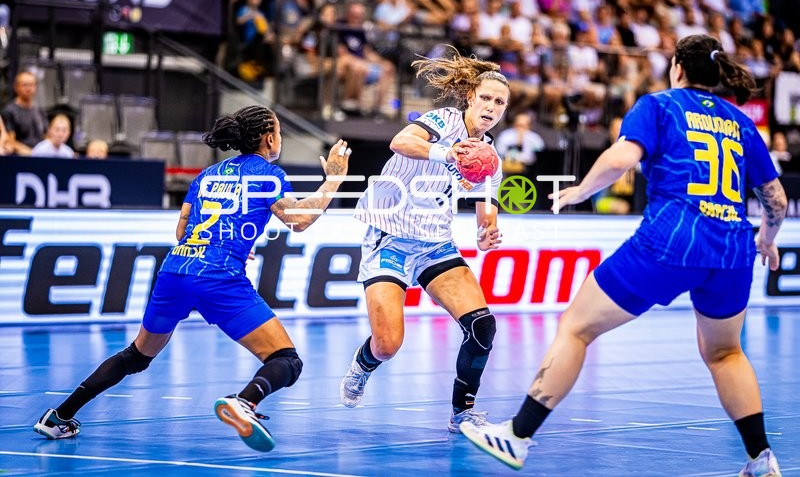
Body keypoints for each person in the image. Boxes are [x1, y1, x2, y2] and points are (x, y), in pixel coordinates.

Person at [461, 34, 787, 477]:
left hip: (671, 240)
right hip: (731, 249)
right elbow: (776, 199)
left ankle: (517, 436)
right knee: (726, 353)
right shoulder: (740, 121)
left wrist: (579, 190)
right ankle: (762, 459)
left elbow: (621, 159)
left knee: (575, 328)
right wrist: (766, 240)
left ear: (677, 68)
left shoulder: (660, 106)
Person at [34, 105, 352, 453]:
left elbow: (182, 230)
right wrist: (334, 179)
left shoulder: (207, 175)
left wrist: (221, 239)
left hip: (176, 270)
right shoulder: (268, 173)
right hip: (218, 277)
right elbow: (299, 220)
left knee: (137, 356)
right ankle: (246, 402)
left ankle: (58, 417)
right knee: (286, 360)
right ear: (269, 138)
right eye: (279, 131)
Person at [339, 48, 506, 433]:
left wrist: (487, 232)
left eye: (500, 103)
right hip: (391, 237)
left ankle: (462, 413)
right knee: (388, 345)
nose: (492, 107)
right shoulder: (443, 121)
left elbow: (486, 208)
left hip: (435, 244)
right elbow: (401, 141)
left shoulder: (489, 158)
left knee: (482, 327)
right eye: (486, 98)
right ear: (470, 98)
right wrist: (447, 153)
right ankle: (363, 366)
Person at [1, 70, 47, 155]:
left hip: (40, 157)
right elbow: (9, 140)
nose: (28, 88)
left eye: (31, 85)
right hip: (19, 159)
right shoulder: (9, 111)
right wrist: (30, 153)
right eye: (25, 85)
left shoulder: (40, 110)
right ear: (16, 87)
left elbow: (46, 136)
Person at [494, 111, 545, 179]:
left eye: (523, 126)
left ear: (529, 126)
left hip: (530, 171)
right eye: (518, 125)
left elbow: (540, 154)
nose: (520, 128)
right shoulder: (505, 136)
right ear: (514, 124)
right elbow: (499, 152)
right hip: (507, 170)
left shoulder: (535, 139)